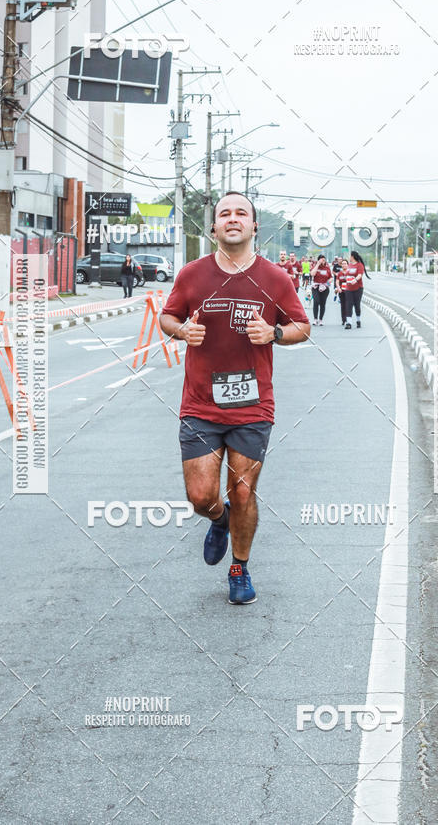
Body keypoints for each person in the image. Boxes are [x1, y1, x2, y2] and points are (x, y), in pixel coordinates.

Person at [159, 191, 310, 605]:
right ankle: (219, 520)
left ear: (254, 225)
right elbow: (167, 316)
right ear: (213, 228)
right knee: (201, 497)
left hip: (252, 405)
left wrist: (274, 333)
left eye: (241, 213)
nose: (232, 218)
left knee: (242, 490)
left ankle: (240, 567)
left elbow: (302, 325)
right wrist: (181, 331)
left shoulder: (275, 278)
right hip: (200, 404)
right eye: (224, 213)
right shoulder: (192, 274)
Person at [344, 250, 370, 329]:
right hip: (348, 288)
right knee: (348, 305)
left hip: (358, 288)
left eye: (350, 256)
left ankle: (358, 320)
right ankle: (349, 323)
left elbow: (360, 275)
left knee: (357, 305)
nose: (349, 257)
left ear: (352, 257)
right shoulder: (350, 265)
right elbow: (347, 274)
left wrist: (355, 280)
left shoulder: (359, 265)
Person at [310, 254, 332, 326]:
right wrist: (317, 265)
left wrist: (327, 284)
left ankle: (320, 320)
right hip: (316, 287)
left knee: (323, 303)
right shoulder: (315, 267)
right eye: (321, 259)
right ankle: (315, 319)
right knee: (316, 301)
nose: (323, 260)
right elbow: (312, 274)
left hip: (324, 288)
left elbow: (331, 278)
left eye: (324, 259)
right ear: (318, 260)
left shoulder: (327, 268)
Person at [335, 258, 349, 326]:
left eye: (345, 264)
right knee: (343, 306)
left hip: (349, 291)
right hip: (341, 291)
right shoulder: (339, 273)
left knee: (348, 306)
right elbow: (337, 282)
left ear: (347, 265)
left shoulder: (350, 273)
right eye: (342, 264)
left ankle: (348, 319)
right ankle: (343, 320)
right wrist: (338, 288)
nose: (344, 265)